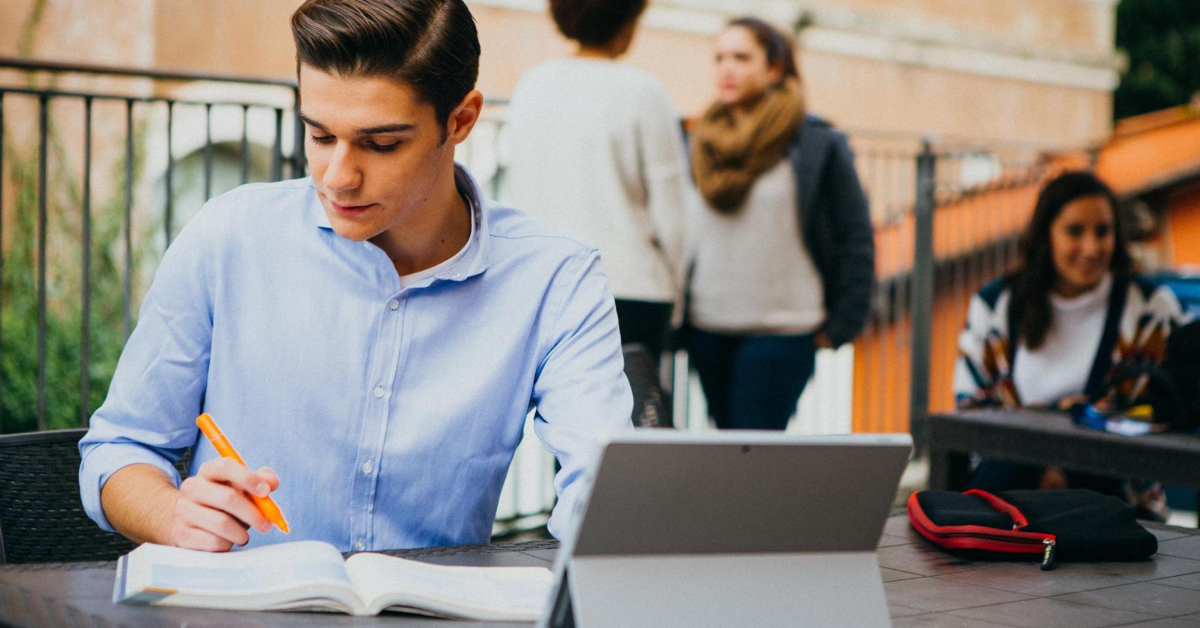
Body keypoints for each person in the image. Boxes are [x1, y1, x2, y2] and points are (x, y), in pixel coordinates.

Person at [78, 0, 632, 553]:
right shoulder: (228, 237)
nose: (338, 178)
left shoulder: (556, 279)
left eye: (381, 143)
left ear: (460, 120)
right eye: (319, 137)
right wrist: (173, 513)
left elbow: (604, 493)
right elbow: (119, 449)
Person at [685, 17, 874, 431]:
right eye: (719, 58)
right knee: (723, 444)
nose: (726, 69)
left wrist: (844, 322)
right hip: (707, 327)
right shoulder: (701, 141)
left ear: (774, 69)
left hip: (783, 330)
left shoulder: (815, 142)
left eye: (741, 57)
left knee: (753, 451)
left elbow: (855, 234)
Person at [955, 171, 1186, 498]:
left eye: (1103, 231)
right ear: (1046, 235)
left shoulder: (1150, 309)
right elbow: (969, 413)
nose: (1091, 248)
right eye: (1075, 231)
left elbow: (1174, 408)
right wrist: (1052, 416)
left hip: (1113, 494)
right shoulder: (994, 306)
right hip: (1010, 491)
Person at [505, 0, 691, 368]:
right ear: (627, 21)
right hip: (631, 288)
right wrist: (678, 293)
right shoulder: (643, 91)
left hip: (544, 284)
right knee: (630, 418)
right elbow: (673, 216)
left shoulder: (531, 84)